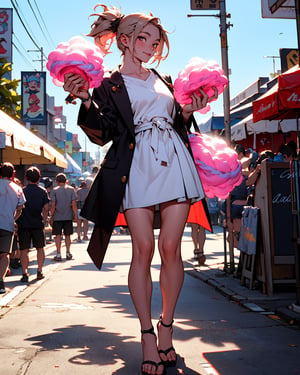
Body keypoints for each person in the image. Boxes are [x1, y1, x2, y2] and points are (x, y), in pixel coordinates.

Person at [63, 5, 217, 375]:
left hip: (175, 162)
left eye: (156, 40)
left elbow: (178, 120)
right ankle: (146, 333)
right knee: (143, 249)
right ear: (125, 40)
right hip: (135, 168)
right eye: (144, 39)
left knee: (171, 249)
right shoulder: (108, 84)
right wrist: (85, 101)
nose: (151, 46)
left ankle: (167, 327)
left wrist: (186, 110)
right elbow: (104, 133)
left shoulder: (163, 79)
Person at [17, 167, 49, 282]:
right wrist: (44, 220)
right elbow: (46, 208)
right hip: (37, 224)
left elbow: (18, 207)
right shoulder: (42, 191)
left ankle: (25, 273)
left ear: (26, 178)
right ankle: (39, 271)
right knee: (40, 248)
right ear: (39, 178)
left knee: (24, 250)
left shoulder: (22, 191)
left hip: (23, 224)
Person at [0, 163, 26, 294]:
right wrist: (13, 218)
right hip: (7, 225)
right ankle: (0, 281)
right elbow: (20, 208)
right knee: (5, 254)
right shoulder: (17, 188)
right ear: (13, 174)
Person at [50, 173, 78, 261]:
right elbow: (74, 203)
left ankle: (58, 254)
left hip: (57, 216)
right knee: (67, 235)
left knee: (57, 235)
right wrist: (75, 215)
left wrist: (51, 216)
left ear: (57, 181)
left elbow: (53, 204)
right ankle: (68, 252)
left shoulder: (54, 191)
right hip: (68, 216)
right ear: (66, 180)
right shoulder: (71, 190)